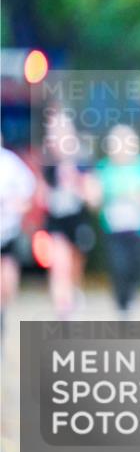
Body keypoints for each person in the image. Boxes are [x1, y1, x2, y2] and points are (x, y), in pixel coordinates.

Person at [86, 124, 140, 320]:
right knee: (119, 266)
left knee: (138, 266)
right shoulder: (103, 168)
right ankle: (122, 305)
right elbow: (93, 199)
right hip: (114, 230)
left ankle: (132, 298)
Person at [40, 108, 94, 319]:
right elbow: (42, 196)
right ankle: (63, 311)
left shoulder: (82, 160)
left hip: (78, 220)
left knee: (74, 267)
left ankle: (73, 294)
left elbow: (93, 197)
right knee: (59, 265)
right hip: (56, 222)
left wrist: (76, 182)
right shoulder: (47, 162)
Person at [0, 137, 37, 338]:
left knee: (7, 284)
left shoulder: (11, 163)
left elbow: (28, 193)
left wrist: (16, 205)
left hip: (8, 231)